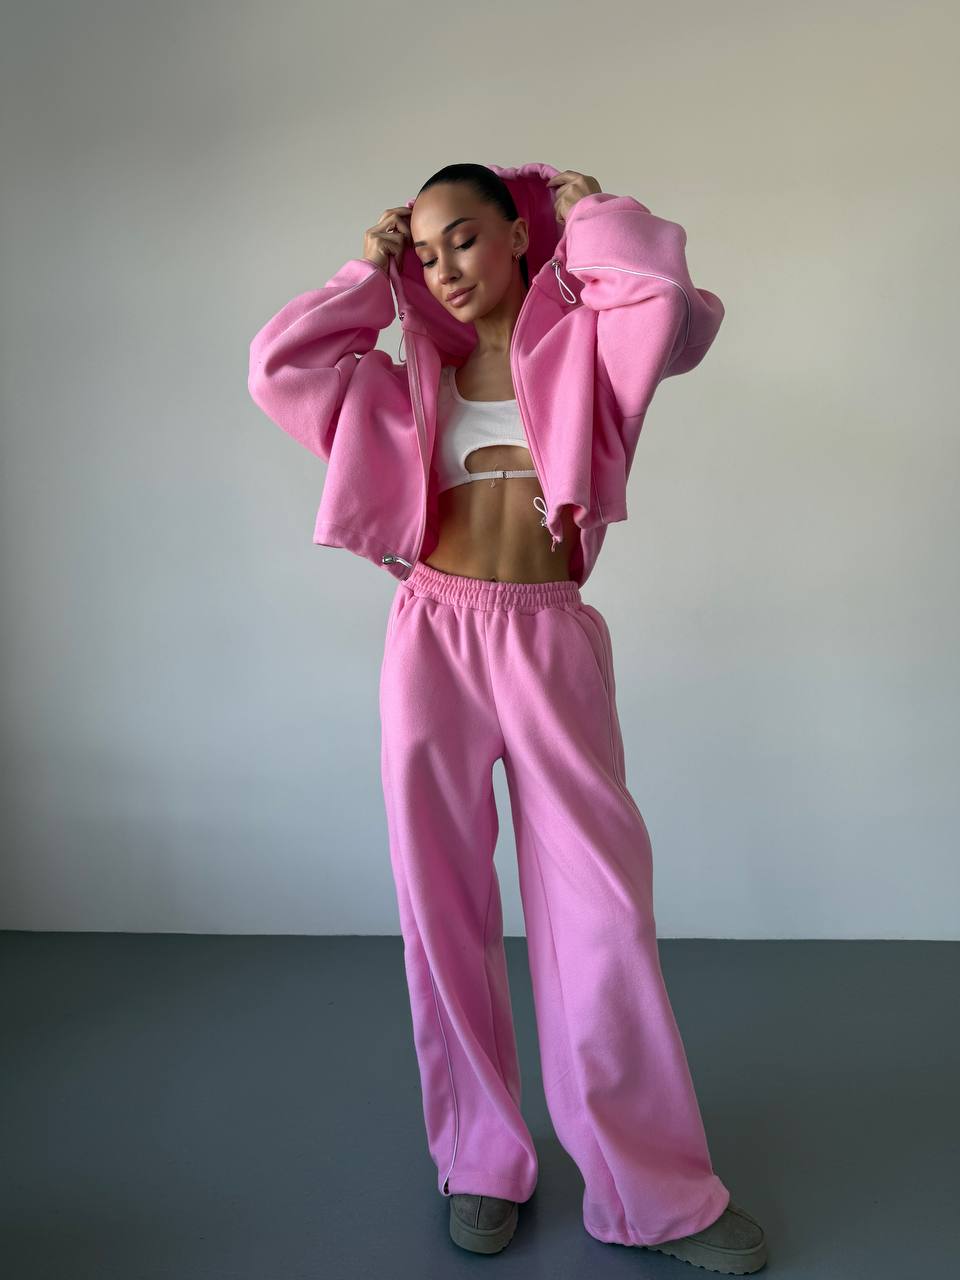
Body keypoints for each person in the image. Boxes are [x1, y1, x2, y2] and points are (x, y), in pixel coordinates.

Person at [248, 162, 768, 1273]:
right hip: (432, 635)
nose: (446, 268)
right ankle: (481, 1157)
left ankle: (654, 1189)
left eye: (467, 238)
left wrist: (590, 216)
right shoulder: (403, 379)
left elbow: (668, 306)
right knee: (442, 900)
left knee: (601, 911)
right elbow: (277, 365)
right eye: (427, 251)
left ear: (518, 237)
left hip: (547, 635)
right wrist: (369, 275)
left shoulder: (587, 349)